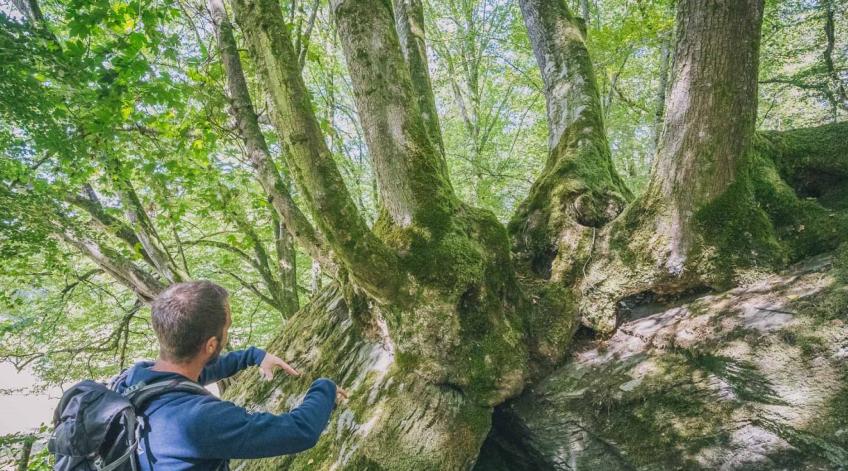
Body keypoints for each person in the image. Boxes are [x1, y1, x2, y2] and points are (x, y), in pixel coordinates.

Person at [114, 280, 347, 470]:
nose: (228, 332)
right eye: (228, 328)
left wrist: (253, 356)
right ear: (211, 345)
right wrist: (324, 386)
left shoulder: (134, 378)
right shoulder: (200, 421)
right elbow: (299, 432)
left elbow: (193, 374)